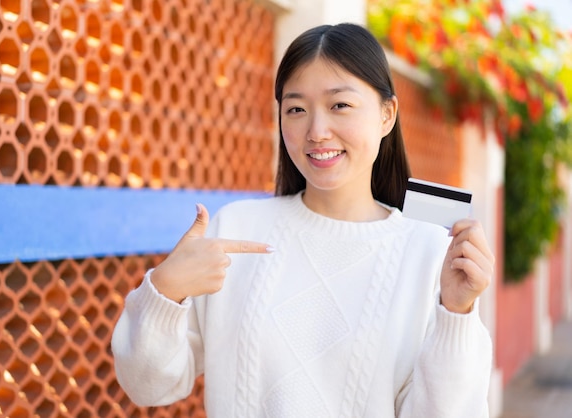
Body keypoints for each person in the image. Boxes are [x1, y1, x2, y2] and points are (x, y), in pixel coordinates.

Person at [111, 23, 494, 417]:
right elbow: (146, 386)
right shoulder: (236, 230)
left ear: (386, 115)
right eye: (296, 109)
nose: (317, 131)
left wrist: (457, 314)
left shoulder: (430, 251)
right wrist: (165, 290)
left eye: (339, 105)